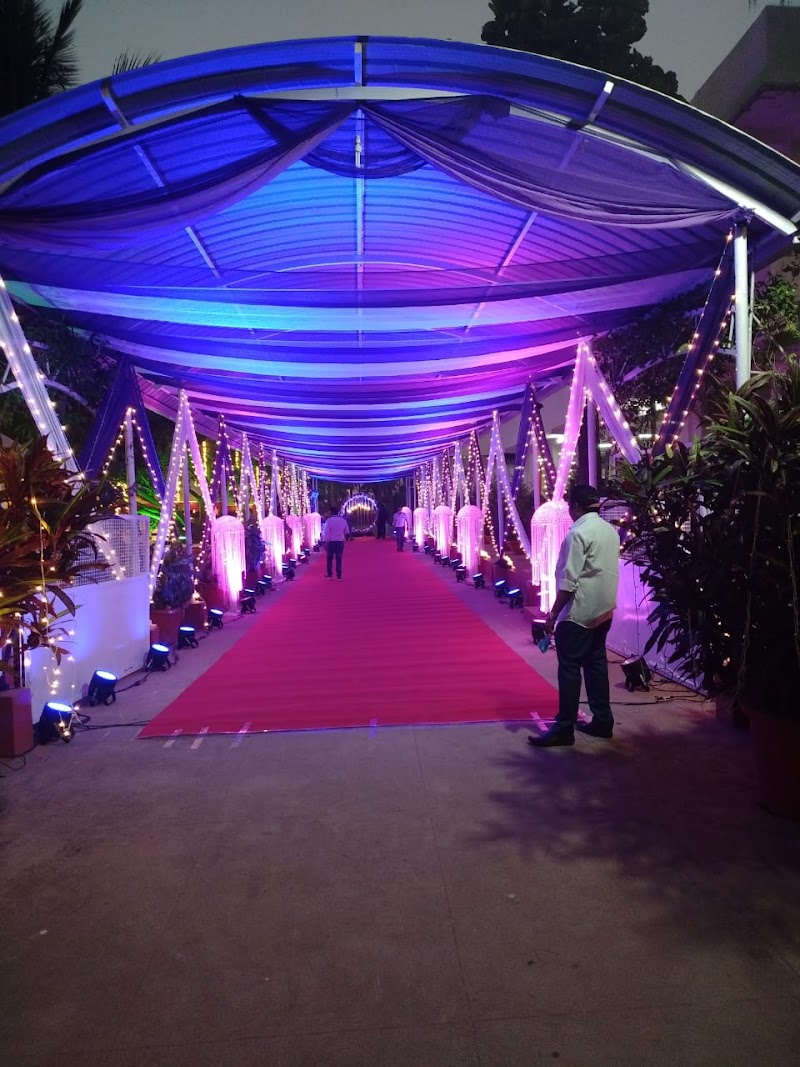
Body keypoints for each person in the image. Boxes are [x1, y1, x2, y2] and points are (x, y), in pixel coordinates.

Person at [528, 484, 620, 748]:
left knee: (569, 669)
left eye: (570, 505)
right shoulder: (610, 531)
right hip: (603, 610)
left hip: (578, 613)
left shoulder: (577, 534)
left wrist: (553, 615)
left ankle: (564, 727)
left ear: (577, 506)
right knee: (596, 666)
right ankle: (603, 720)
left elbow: (569, 581)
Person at [322, 505, 350, 580]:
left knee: (329, 558)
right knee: (339, 558)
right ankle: (339, 575)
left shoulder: (329, 521)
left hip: (331, 542)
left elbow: (326, 533)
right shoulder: (343, 520)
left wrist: (325, 542)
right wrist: (346, 538)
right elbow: (347, 531)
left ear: (331, 512)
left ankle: (330, 574)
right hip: (340, 542)